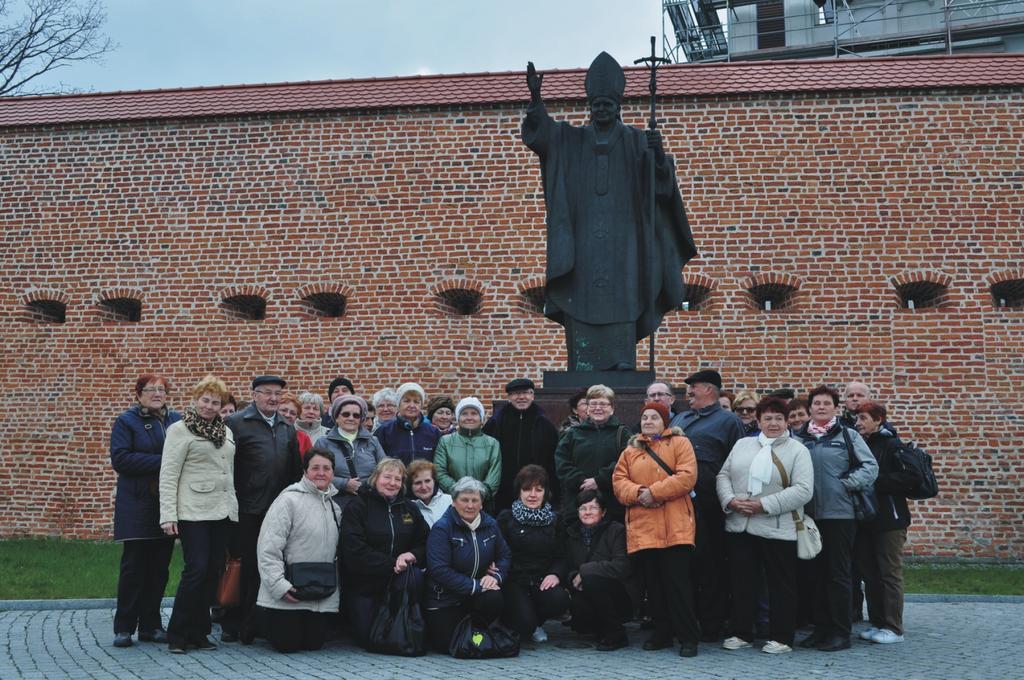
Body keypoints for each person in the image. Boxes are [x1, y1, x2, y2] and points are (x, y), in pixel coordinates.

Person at [521, 53, 696, 371]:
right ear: (590, 107)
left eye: (608, 105)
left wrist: (657, 154)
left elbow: (661, 189)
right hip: (583, 237)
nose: (602, 109)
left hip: (625, 241)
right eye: (597, 104)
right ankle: (582, 363)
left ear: (618, 107)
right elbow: (542, 135)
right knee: (581, 292)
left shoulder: (636, 141)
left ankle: (622, 362)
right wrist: (536, 98)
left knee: (625, 292)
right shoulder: (571, 139)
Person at [716, 397, 813, 654]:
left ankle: (782, 637)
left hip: (777, 527)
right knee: (741, 582)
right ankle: (742, 632)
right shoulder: (742, 444)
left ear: (787, 422)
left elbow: (803, 490)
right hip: (740, 525)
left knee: (781, 585)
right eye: (767, 418)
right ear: (758, 421)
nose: (773, 423)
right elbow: (724, 474)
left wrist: (764, 505)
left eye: (779, 418)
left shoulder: (797, 450)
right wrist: (731, 500)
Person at [794, 385, 878, 652]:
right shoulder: (799, 438)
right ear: (809, 409)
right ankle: (820, 628)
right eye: (816, 403)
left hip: (840, 514)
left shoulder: (848, 435)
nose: (820, 407)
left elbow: (870, 466)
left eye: (826, 403)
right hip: (809, 516)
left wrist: (847, 484)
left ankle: (840, 632)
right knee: (814, 575)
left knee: (838, 575)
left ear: (835, 408)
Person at [612, 401, 699, 657]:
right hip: (644, 527)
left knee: (678, 585)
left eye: (654, 418)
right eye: (645, 418)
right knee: (654, 586)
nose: (648, 421)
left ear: (665, 422)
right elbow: (619, 482)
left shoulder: (680, 444)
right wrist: (640, 493)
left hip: (676, 527)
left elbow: (687, 476)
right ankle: (662, 633)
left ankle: (688, 637)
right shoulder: (630, 450)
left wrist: (655, 492)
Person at [158, 375, 237, 653]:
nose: (210, 406)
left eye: (216, 402)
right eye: (205, 400)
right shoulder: (180, 430)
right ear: (195, 399)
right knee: (196, 570)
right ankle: (178, 634)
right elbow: (168, 474)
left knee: (213, 572)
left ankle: (199, 632)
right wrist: (168, 515)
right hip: (193, 510)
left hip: (223, 510)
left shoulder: (225, 431)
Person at [223, 375, 303, 643]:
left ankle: (258, 621)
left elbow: (294, 471)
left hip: (276, 510)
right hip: (245, 509)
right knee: (242, 566)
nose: (273, 398)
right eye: (266, 393)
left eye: (277, 394)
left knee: (269, 566)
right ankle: (232, 622)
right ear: (254, 394)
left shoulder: (286, 427)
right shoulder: (236, 423)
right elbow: (226, 468)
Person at [668, 369, 744, 642]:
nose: (689, 392)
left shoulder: (728, 421)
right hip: (676, 504)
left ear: (709, 390)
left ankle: (712, 623)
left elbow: (737, 463)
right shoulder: (681, 418)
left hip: (710, 505)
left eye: (694, 387)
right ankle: (685, 619)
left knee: (710, 565)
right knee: (682, 565)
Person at [110, 374, 182, 648]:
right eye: (150, 389)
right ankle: (124, 627)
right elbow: (121, 458)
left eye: (161, 389)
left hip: (167, 504)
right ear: (138, 394)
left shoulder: (175, 420)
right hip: (138, 504)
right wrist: (166, 461)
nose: (156, 394)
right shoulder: (127, 421)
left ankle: (151, 625)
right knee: (134, 568)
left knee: (159, 569)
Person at [255, 447, 340, 653]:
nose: (321, 473)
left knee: (314, 645)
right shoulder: (288, 500)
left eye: (326, 468)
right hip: (289, 590)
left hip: (319, 591)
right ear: (305, 471)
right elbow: (268, 547)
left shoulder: (334, 507)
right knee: (288, 645)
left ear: (333, 473)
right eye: (315, 468)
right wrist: (279, 585)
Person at [340, 458, 430, 648]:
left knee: (397, 635)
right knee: (369, 638)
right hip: (364, 584)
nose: (392, 483)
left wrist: (411, 555)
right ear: (375, 478)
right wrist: (392, 564)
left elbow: (425, 542)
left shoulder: (410, 508)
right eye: (387, 477)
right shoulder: (358, 506)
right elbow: (354, 552)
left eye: (398, 479)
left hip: (399, 583)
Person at [854, 401, 920, 645]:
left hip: (889, 519)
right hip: (867, 519)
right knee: (870, 573)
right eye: (857, 418)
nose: (858, 423)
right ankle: (878, 622)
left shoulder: (892, 444)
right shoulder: (862, 443)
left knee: (889, 573)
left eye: (863, 418)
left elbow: (911, 476)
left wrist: (873, 481)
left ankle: (894, 627)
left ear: (878, 420)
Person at [424, 477, 512, 654]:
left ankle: (480, 630)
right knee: (448, 644)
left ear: (481, 503)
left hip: (476, 596)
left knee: (494, 597)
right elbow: (439, 570)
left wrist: (494, 577)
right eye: (464, 500)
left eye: (475, 500)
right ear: (454, 502)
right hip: (445, 599)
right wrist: (475, 585)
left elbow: (504, 555)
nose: (470, 505)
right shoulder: (442, 528)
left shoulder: (491, 525)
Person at [497, 465, 570, 643]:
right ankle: (519, 622)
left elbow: (562, 554)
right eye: (527, 489)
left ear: (545, 493)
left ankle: (536, 622)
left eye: (539, 490)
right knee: (523, 623)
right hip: (514, 579)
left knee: (559, 599)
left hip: (541, 578)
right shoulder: (506, 518)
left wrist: (555, 574)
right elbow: (498, 551)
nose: (533, 495)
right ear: (519, 492)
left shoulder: (556, 519)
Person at [564, 489, 639, 651]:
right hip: (586, 591)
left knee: (592, 577)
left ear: (603, 512)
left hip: (619, 592)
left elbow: (622, 566)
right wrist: (573, 577)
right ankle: (600, 628)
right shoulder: (572, 534)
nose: (587, 512)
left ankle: (616, 633)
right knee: (579, 609)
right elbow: (567, 567)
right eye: (583, 508)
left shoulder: (616, 530)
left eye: (593, 508)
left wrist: (585, 571)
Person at [555, 384, 630, 522]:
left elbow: (626, 462)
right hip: (577, 503)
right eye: (593, 403)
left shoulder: (623, 434)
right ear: (588, 408)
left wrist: (599, 481)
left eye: (603, 404)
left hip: (612, 505)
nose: (598, 408)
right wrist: (582, 482)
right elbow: (562, 462)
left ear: (612, 409)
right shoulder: (572, 434)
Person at [483, 378, 559, 510]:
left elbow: (553, 459)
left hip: (534, 489)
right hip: (503, 489)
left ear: (532, 396)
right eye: (516, 393)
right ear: (509, 397)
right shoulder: (496, 422)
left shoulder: (544, 423)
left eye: (526, 393)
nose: (521, 397)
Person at [315, 394, 386, 512]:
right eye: (346, 414)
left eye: (356, 415)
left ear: (361, 419)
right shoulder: (324, 443)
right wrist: (343, 483)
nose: (351, 418)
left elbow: (385, 469)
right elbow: (315, 474)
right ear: (337, 417)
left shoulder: (373, 441)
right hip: (336, 504)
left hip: (369, 503)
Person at [433, 397, 502, 507]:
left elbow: (494, 475)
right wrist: (458, 493)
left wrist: (479, 494)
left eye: (474, 413)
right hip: (452, 502)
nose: (469, 418)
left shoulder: (492, 443)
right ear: (458, 418)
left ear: (481, 418)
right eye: (464, 413)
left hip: (483, 504)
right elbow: (439, 471)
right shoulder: (446, 441)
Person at [374, 382, 441, 464]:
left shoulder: (433, 433)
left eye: (416, 402)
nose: (412, 405)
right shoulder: (384, 431)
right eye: (406, 401)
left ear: (421, 405)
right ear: (398, 404)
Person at [407, 460, 453, 527]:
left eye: (427, 481)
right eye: (418, 483)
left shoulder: (449, 501)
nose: (424, 487)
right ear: (410, 485)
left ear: (434, 481)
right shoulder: (406, 509)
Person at [278, 393, 312, 457]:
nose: (288, 415)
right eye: (284, 410)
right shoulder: (266, 433)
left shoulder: (304, 438)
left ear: (296, 417)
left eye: (292, 413)